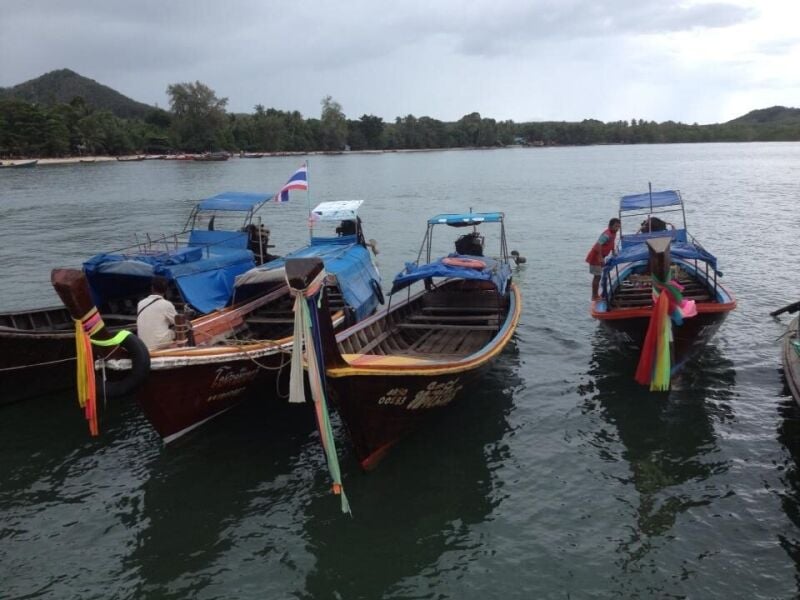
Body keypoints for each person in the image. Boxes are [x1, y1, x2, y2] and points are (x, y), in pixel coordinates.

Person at [136, 276, 177, 349]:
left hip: (143, 345)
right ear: (166, 290)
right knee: (180, 328)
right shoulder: (166, 304)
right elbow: (177, 322)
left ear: (152, 288)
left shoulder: (140, 303)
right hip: (159, 344)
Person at [586, 218, 621, 301]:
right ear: (610, 226)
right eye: (616, 226)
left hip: (601, 257)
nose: (617, 229)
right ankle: (594, 296)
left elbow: (612, 242)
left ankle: (596, 295)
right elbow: (598, 245)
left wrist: (613, 251)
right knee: (597, 277)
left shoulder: (614, 233)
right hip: (595, 257)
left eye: (619, 227)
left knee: (598, 275)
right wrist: (600, 258)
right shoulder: (606, 234)